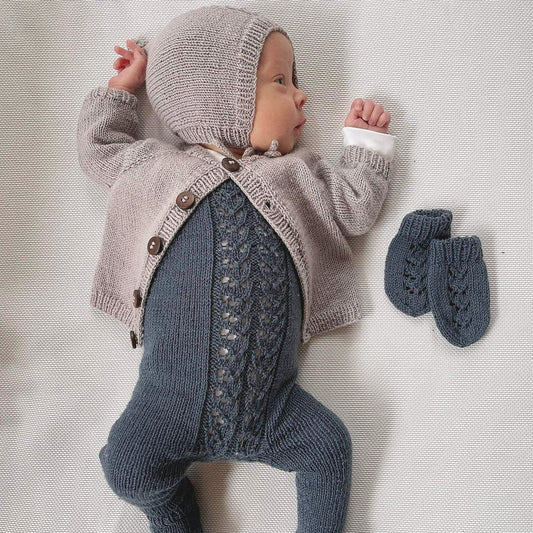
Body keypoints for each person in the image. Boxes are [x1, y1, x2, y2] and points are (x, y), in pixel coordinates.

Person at [77, 5, 395, 532]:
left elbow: (353, 209)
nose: (302, 95)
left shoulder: (298, 174)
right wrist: (123, 91)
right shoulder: (156, 165)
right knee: (126, 468)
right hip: (167, 400)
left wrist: (365, 147)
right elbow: (99, 152)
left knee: (329, 448)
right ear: (223, 93)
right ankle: (173, 511)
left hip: (273, 408)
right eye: (281, 81)